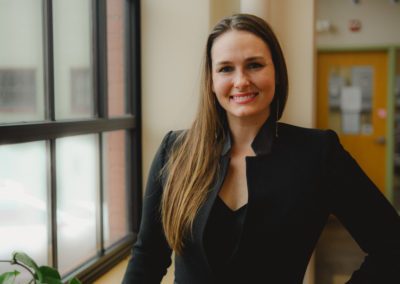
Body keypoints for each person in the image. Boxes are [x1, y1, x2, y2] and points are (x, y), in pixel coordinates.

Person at [123, 13, 400, 284]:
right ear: (211, 81)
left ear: (277, 72)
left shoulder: (318, 153)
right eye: (225, 68)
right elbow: (148, 256)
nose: (241, 80)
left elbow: (392, 247)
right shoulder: (175, 150)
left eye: (254, 65)